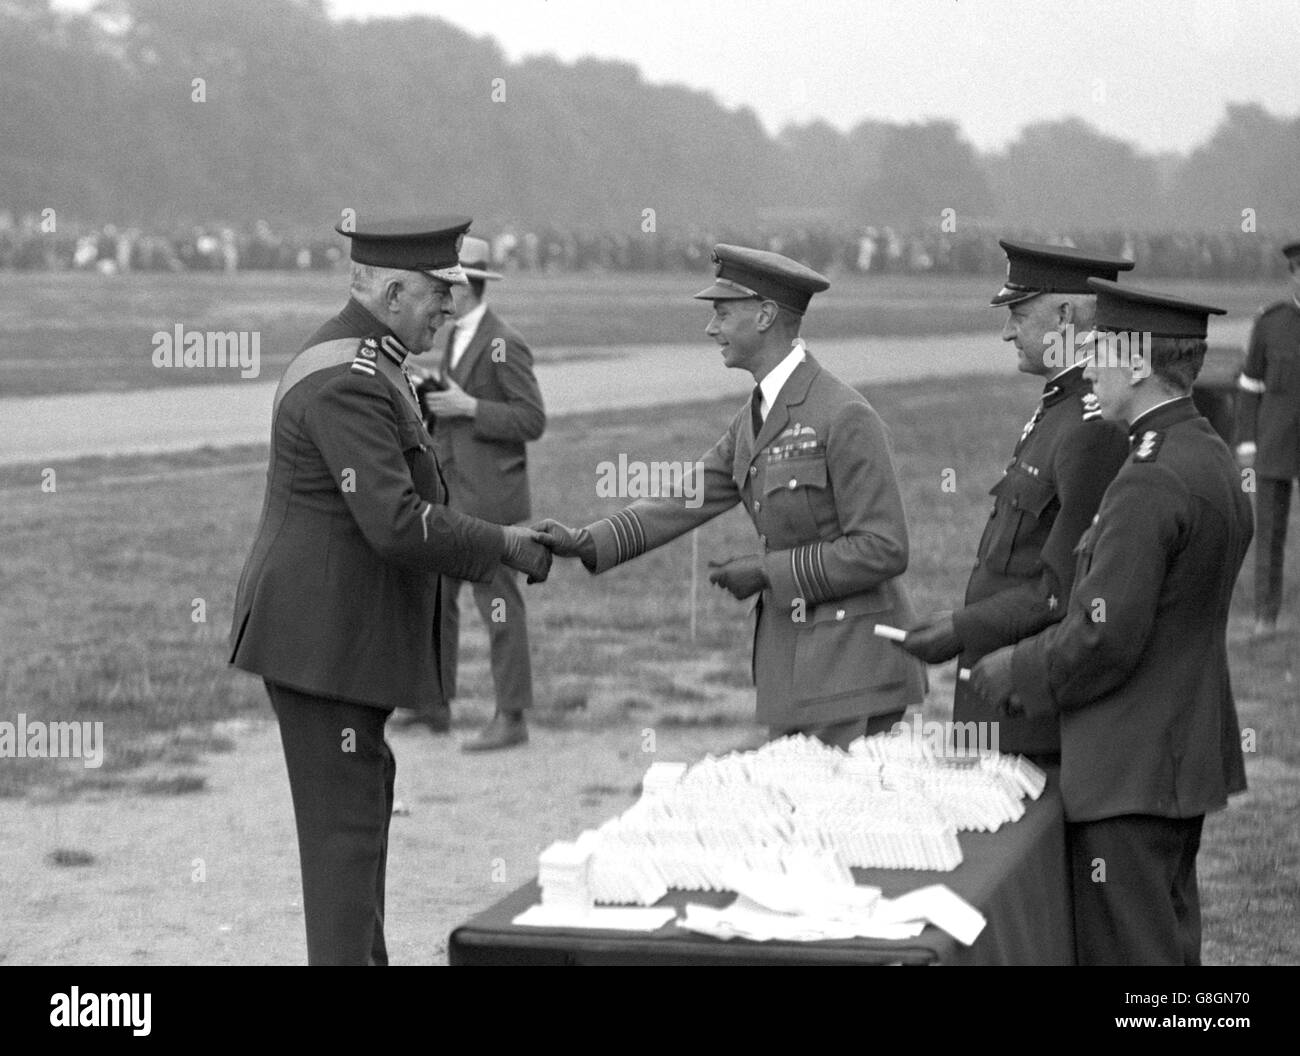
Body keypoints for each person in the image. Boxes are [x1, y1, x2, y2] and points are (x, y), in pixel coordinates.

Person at [227, 215, 552, 965]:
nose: (450, 303)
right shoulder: (350, 378)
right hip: (320, 643)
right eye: (440, 292)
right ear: (395, 289)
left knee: (360, 827)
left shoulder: (378, 362)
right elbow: (397, 523)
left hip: (339, 639)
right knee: (345, 847)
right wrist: (504, 544)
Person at [535, 245, 925, 748]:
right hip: (800, 664)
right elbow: (686, 495)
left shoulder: (844, 415)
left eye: (722, 313)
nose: (710, 328)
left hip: (854, 669)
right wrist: (588, 542)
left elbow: (884, 547)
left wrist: (769, 571)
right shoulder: (758, 413)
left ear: (764, 316)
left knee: (826, 819)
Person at [970, 279, 1251, 966]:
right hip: (1178, 756)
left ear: (1137, 363)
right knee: (1168, 948)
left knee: (1131, 960)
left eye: (1099, 351)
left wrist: (1017, 669)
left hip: (1130, 766)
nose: (1090, 366)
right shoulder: (1204, 451)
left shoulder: (1148, 478)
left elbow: (1104, 634)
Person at [896, 240, 1132, 763]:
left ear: (1066, 315)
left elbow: (1063, 588)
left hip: (1030, 699)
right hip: (1002, 683)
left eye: (1019, 314)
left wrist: (962, 628)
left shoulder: (1091, 429)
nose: (1007, 331)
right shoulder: (1059, 410)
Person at [414, 235, 546, 751]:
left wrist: (470, 408)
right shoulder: (458, 337)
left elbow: (532, 419)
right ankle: (433, 703)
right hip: (453, 495)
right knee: (437, 597)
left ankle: (512, 716)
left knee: (499, 607)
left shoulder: (503, 341)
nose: (441, 297)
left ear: (467, 286)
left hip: (491, 503)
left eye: (446, 286)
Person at [1235, 239, 1300, 636]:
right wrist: (1246, 442)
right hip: (1276, 440)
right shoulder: (1270, 322)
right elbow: (1249, 384)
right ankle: (1265, 617)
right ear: (1293, 274)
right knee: (1270, 533)